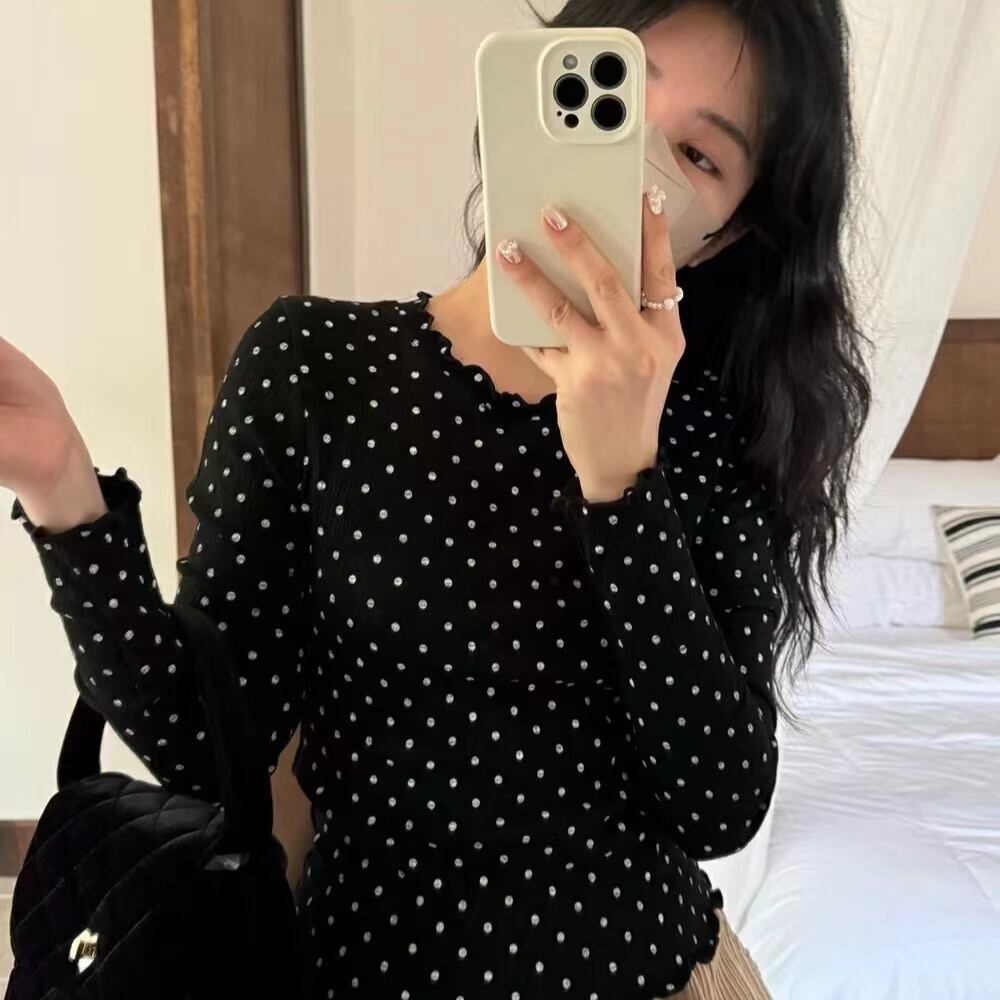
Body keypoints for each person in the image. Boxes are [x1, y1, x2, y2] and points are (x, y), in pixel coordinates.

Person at [3, 1, 872, 997]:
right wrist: (61, 486)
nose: (631, 167)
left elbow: (718, 804)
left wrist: (621, 480)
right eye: (609, 100)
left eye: (697, 156)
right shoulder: (316, 368)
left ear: (723, 234)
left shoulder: (722, 427)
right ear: (525, 96)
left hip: (657, 976)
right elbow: (207, 750)